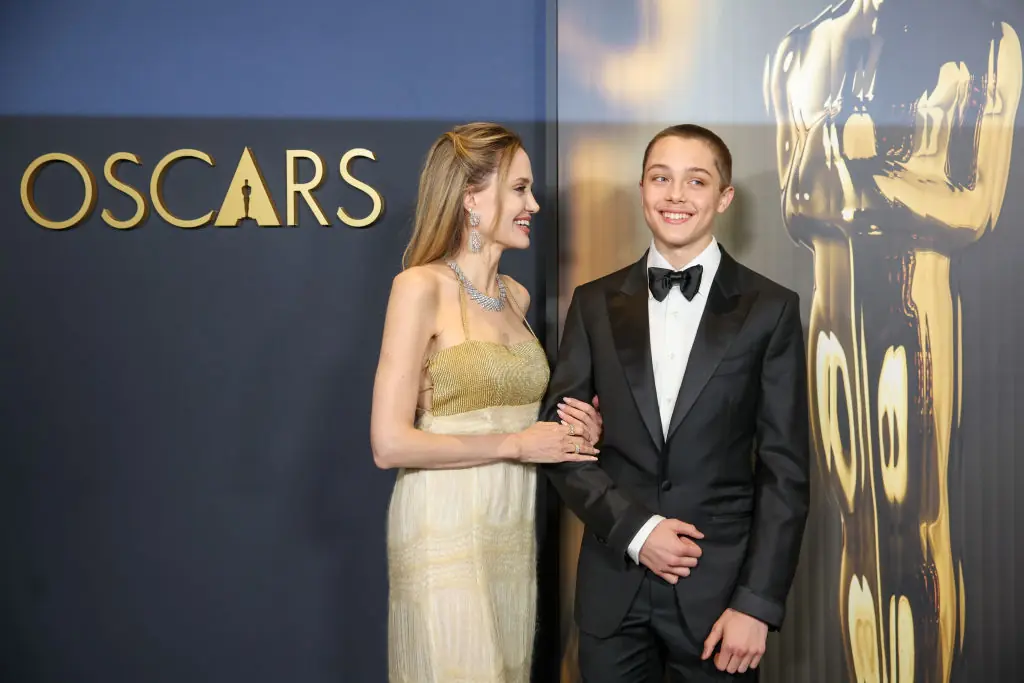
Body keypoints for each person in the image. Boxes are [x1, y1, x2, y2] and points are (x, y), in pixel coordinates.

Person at [541, 124, 810, 681]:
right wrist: (638, 532)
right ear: (642, 188)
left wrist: (756, 603)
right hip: (613, 588)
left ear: (724, 197)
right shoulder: (593, 303)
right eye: (661, 178)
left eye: (696, 181)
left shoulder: (771, 309)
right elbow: (558, 439)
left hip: (720, 601)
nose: (676, 196)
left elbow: (785, 471)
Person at [370, 122, 604, 683]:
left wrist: (577, 430)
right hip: (442, 519)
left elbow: (528, 420)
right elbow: (389, 442)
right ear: (472, 199)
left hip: (509, 521)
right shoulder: (419, 288)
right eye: (520, 189)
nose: (535, 204)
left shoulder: (516, 297)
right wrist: (518, 444)